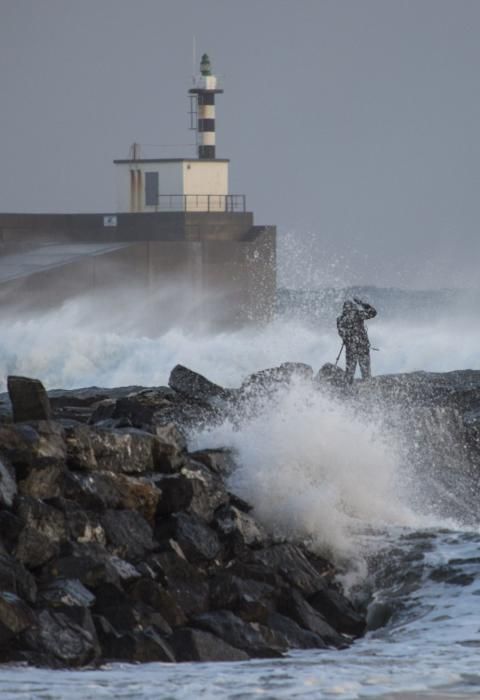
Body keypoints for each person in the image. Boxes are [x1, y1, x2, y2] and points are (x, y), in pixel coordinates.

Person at [336, 297, 377, 384]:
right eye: (347, 308)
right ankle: (361, 389)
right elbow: (373, 313)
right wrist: (363, 304)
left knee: (359, 372)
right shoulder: (354, 316)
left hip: (358, 347)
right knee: (356, 373)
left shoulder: (356, 315)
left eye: (349, 308)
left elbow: (373, 313)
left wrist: (362, 304)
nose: (348, 310)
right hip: (356, 348)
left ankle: (352, 390)